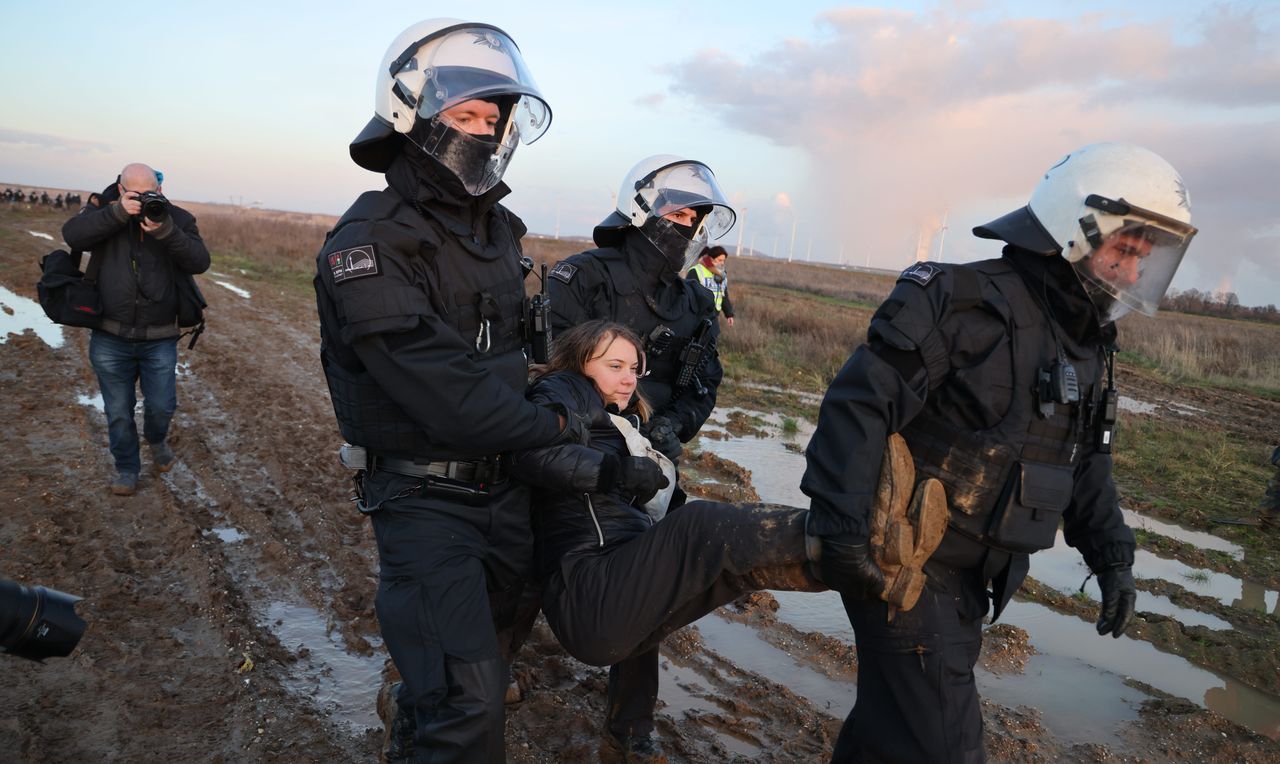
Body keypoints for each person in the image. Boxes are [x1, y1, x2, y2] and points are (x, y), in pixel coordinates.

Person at [801, 143, 1198, 763]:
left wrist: (1113, 558)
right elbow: (859, 406)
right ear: (1075, 230)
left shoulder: (1089, 343)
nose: (1131, 272)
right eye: (1124, 250)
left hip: (975, 582)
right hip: (904, 564)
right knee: (944, 748)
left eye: (1142, 258)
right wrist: (843, 530)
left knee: (891, 732)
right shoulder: (960, 299)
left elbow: (1085, 461)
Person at [312, 19, 586, 763]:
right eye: (466, 115)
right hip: (424, 505)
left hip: (508, 495)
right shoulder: (368, 242)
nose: (485, 132)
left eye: (494, 120)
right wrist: (563, 423)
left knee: (478, 678)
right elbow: (449, 392)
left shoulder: (501, 235)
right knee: (468, 712)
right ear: (412, 113)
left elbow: (521, 360)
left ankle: (410, 718)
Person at [510, 320, 821, 762]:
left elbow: (656, 515)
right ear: (580, 362)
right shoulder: (565, 388)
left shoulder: (625, 421)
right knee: (701, 525)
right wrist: (614, 470)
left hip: (611, 598)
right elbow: (531, 452)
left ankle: (849, 560)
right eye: (614, 365)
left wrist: (659, 466)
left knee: (731, 571)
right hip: (585, 588)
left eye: (635, 368)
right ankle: (837, 534)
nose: (629, 377)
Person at [547, 155, 736, 463]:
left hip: (653, 460)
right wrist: (616, 428)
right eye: (680, 215)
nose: (688, 229)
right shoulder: (584, 277)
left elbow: (704, 385)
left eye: (694, 221)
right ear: (642, 209)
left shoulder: (695, 302)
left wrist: (671, 426)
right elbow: (548, 369)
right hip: (578, 452)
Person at [61, 163, 210, 496]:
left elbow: (200, 262)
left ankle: (156, 439)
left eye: (151, 193)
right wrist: (116, 213)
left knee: (162, 406)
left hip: (159, 337)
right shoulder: (103, 210)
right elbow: (72, 235)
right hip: (109, 335)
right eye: (136, 194)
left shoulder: (177, 218)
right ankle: (127, 468)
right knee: (118, 412)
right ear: (120, 187)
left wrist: (165, 230)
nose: (144, 199)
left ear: (159, 190)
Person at [687, 244, 735, 326]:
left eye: (724, 260)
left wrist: (729, 314)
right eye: (720, 260)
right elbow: (688, 294)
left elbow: (723, 295)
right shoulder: (696, 271)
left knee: (713, 338)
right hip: (698, 316)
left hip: (714, 316)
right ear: (711, 259)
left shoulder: (722, 275)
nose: (722, 263)